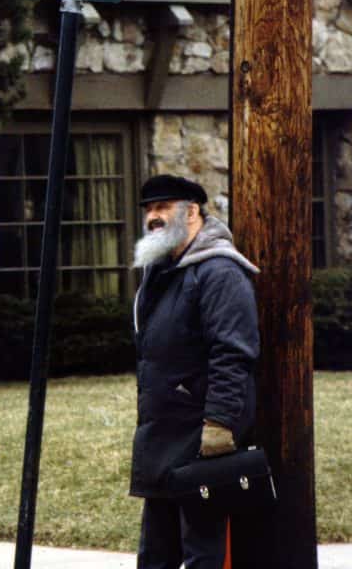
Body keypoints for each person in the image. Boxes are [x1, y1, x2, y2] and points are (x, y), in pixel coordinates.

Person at [130, 174, 261, 569]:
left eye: (163, 207)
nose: (154, 216)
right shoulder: (163, 272)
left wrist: (219, 423)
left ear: (191, 213)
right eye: (149, 209)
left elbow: (233, 352)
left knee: (202, 551)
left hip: (200, 433)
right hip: (162, 431)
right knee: (156, 552)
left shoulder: (219, 272)